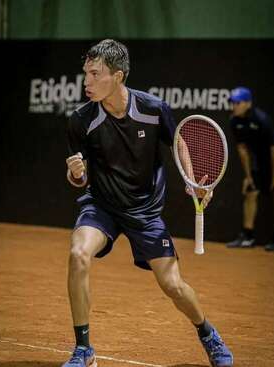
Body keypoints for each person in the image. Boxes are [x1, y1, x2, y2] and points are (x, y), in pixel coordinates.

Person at [63, 39, 233, 367]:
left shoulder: (153, 109)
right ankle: (84, 349)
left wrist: (192, 180)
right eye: (85, 74)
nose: (87, 82)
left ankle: (207, 333)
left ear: (119, 76)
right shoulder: (80, 119)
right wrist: (77, 176)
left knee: (173, 285)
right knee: (78, 254)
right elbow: (78, 178)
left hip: (145, 211)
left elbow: (179, 142)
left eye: (95, 74)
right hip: (102, 206)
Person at [226, 87, 274, 250]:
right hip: (259, 160)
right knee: (251, 191)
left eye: (237, 103)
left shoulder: (261, 119)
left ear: (248, 103)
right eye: (232, 103)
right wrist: (249, 176)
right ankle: (247, 236)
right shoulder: (234, 121)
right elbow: (242, 150)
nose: (234, 106)